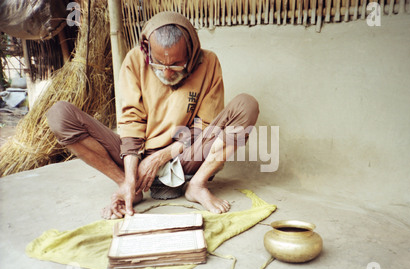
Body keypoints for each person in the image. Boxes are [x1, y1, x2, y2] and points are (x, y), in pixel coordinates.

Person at [46, 11, 259, 219]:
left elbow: (203, 125)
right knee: (60, 115)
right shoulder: (135, 60)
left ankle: (196, 185)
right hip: (137, 158)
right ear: (147, 50)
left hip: (185, 155)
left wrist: (162, 155)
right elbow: (132, 121)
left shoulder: (209, 62)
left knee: (246, 105)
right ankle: (129, 187)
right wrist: (130, 178)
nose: (167, 73)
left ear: (192, 53)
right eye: (159, 64)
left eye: (176, 64)